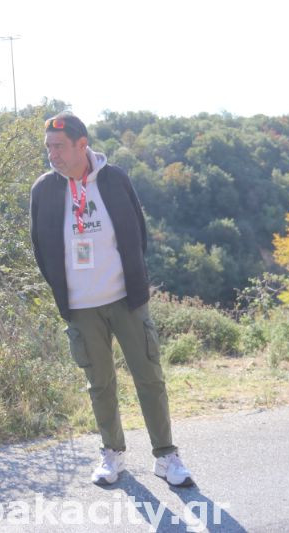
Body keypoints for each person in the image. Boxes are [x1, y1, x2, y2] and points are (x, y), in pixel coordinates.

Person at [30, 112, 194, 487]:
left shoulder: (115, 179)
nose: (53, 155)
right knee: (100, 384)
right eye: (49, 147)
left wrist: (133, 281)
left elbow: (138, 234)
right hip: (81, 307)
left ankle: (166, 456)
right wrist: (64, 292)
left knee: (149, 378)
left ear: (82, 145)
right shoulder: (44, 190)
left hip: (125, 299)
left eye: (59, 147)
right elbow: (41, 249)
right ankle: (112, 454)